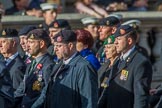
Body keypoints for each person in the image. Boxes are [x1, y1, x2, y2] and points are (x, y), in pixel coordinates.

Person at [32, 30, 98, 108]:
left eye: (59, 46)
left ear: (70, 46)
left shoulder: (83, 67)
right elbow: (46, 93)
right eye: (55, 46)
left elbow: (89, 100)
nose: (55, 49)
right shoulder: (58, 66)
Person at [98, 25, 153, 108]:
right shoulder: (118, 60)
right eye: (115, 39)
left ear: (129, 41)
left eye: (119, 39)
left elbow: (140, 97)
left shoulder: (140, 62)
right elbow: (107, 90)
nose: (115, 42)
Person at [14, 29, 55, 108]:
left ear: (41, 44)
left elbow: (46, 94)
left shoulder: (48, 65)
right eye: (28, 42)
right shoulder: (31, 63)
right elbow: (22, 88)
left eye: (31, 42)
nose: (27, 45)